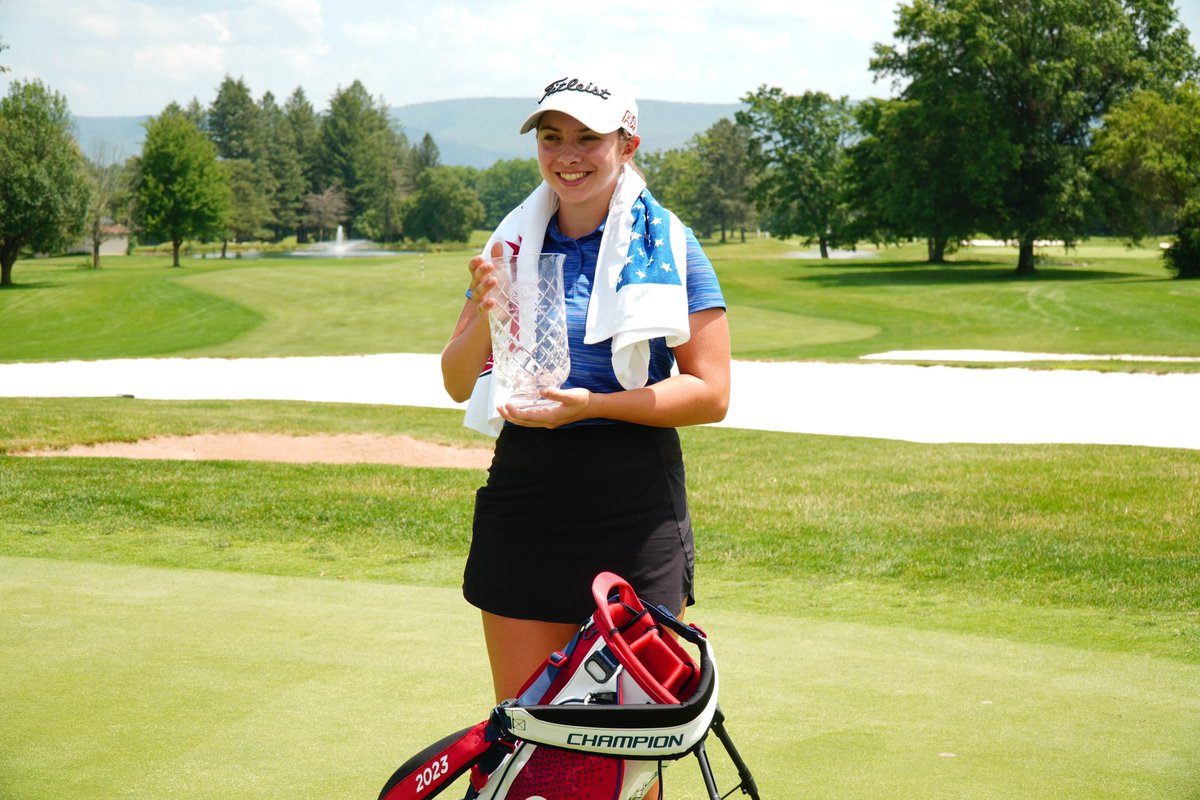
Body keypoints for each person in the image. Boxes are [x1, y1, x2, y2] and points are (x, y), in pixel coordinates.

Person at [440, 76, 731, 705]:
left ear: (627, 145)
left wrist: (593, 407)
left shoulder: (671, 243)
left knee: (632, 729)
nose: (567, 155)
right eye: (552, 138)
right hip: (526, 495)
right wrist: (486, 313)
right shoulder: (510, 246)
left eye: (587, 138)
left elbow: (712, 394)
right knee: (530, 724)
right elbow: (457, 381)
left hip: (633, 502)